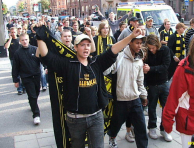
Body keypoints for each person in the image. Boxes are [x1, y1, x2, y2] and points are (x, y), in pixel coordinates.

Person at [36, 20, 143, 148]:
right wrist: (39, 35)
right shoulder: (67, 65)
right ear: (75, 48)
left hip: (96, 117)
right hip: (75, 119)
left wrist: (131, 36)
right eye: (82, 45)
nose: (86, 48)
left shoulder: (96, 63)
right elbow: (47, 56)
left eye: (88, 45)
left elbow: (113, 50)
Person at [105, 35, 148, 148]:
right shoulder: (119, 57)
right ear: (130, 43)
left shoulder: (139, 60)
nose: (139, 46)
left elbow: (140, 81)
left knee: (141, 128)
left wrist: (143, 96)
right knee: (116, 124)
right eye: (137, 43)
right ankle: (112, 137)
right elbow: (105, 71)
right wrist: (110, 57)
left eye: (141, 43)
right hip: (121, 100)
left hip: (135, 100)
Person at [143, 35, 172, 142]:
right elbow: (144, 65)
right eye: (149, 48)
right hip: (151, 84)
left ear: (157, 45)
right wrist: (144, 68)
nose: (152, 50)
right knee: (152, 107)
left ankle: (165, 129)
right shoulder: (146, 52)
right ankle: (152, 127)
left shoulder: (165, 50)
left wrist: (150, 69)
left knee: (166, 108)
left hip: (163, 82)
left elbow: (165, 66)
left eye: (153, 47)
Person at [12, 33, 41, 125]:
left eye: (26, 39)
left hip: (36, 75)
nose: (25, 41)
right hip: (26, 77)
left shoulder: (35, 49)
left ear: (29, 39)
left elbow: (42, 60)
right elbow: (15, 68)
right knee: (32, 95)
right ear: (20, 41)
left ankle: (32, 103)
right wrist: (16, 80)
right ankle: (36, 115)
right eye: (23, 40)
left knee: (36, 93)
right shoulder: (17, 53)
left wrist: (46, 67)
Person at [4, 27, 24, 95]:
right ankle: (19, 89)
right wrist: (10, 38)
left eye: (14, 32)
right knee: (16, 73)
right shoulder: (8, 40)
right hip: (13, 58)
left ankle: (24, 87)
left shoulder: (19, 39)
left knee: (23, 73)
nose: (13, 34)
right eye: (12, 32)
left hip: (21, 58)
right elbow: (6, 47)